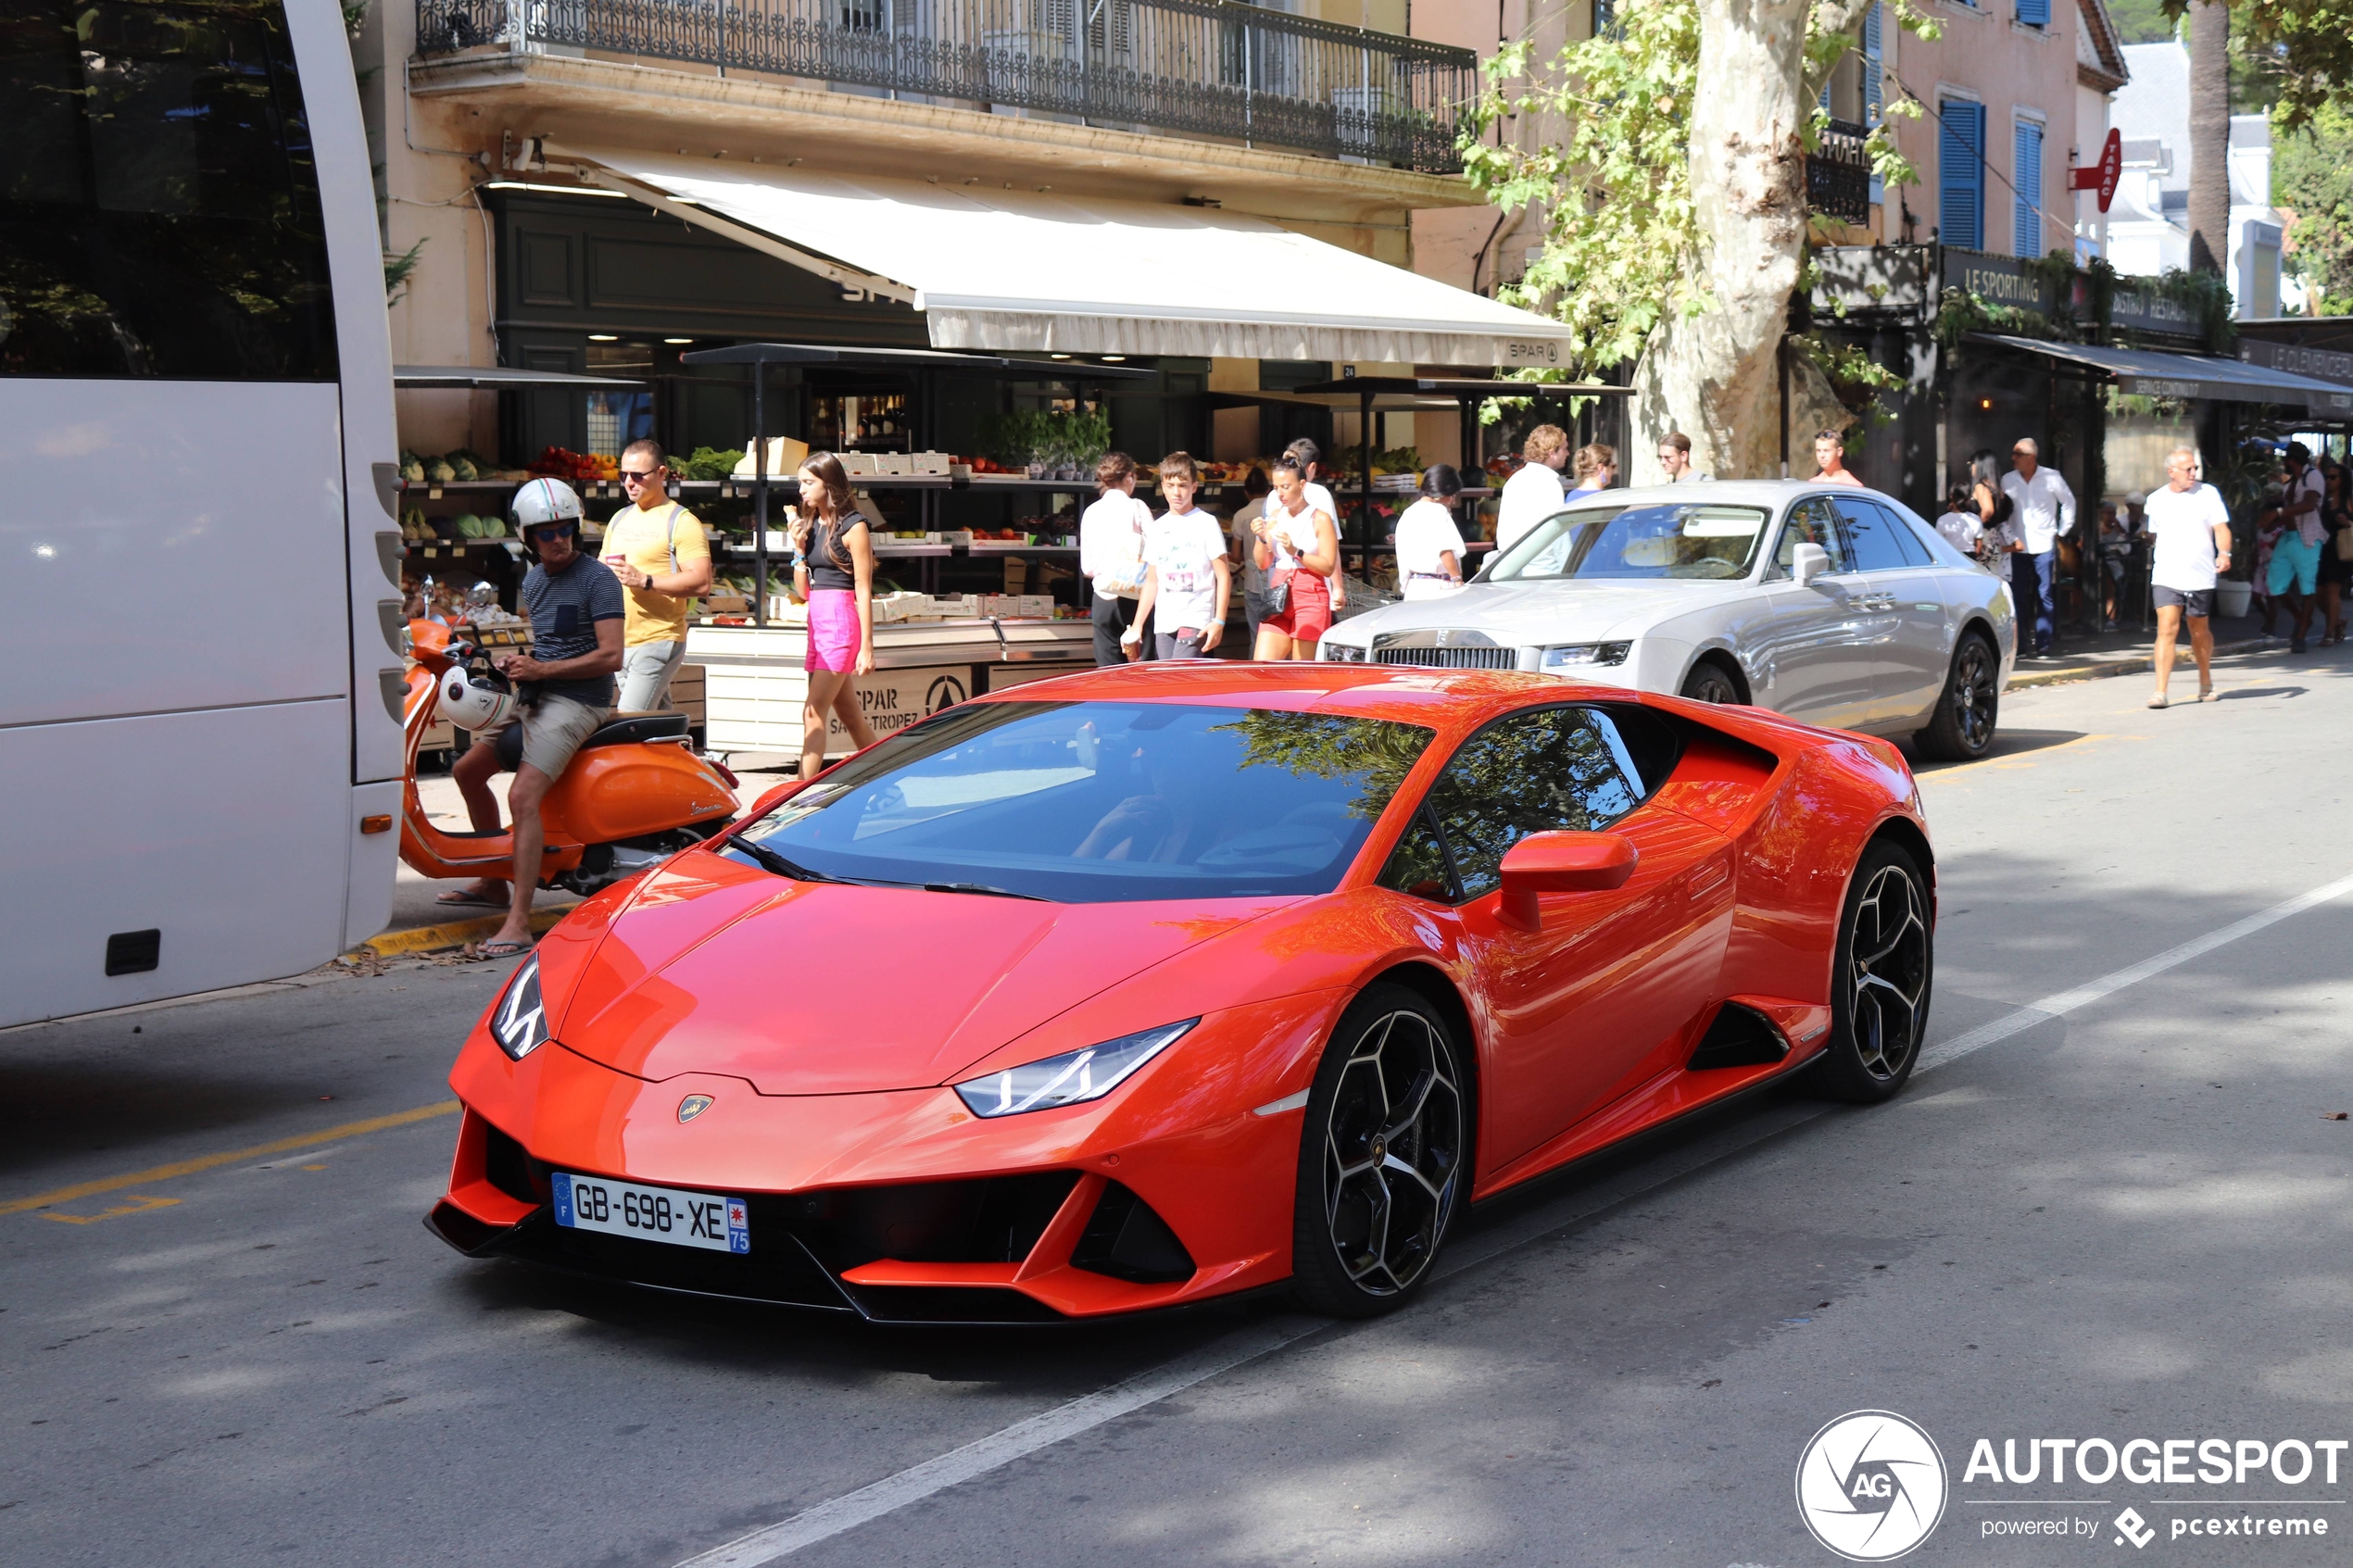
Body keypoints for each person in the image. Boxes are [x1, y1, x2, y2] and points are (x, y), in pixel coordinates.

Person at [439, 478, 624, 957]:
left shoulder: (598, 579)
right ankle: (492, 881)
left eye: (566, 529)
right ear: (527, 537)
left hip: (582, 700)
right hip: (539, 694)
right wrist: (518, 665)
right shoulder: (535, 580)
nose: (559, 539)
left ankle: (518, 922)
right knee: (467, 771)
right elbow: (548, 645)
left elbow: (611, 656)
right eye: (546, 532)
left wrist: (542, 668)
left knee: (522, 796)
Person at [598, 439, 713, 712]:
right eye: (623, 475)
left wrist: (645, 580)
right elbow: (600, 572)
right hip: (620, 643)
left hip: (658, 639)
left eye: (638, 475)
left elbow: (702, 581)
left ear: (661, 473)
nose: (629, 482)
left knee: (628, 722)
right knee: (658, 729)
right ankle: (682, 753)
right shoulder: (619, 519)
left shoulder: (682, 522)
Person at [789, 452, 879, 781]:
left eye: (808, 482)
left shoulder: (854, 526)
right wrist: (798, 549)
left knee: (813, 713)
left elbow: (864, 588)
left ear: (829, 484)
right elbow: (803, 591)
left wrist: (867, 647)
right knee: (850, 716)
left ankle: (798, 795)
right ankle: (884, 776)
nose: (801, 490)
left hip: (841, 623)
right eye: (800, 482)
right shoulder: (811, 527)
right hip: (818, 621)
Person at [2144, 445, 2233, 709]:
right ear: (2172, 472)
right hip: (2167, 573)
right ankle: (2160, 691)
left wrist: (2224, 553)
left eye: (2195, 468)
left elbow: (2221, 529)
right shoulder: (2156, 499)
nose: (2193, 472)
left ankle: (2205, 682)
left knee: (2199, 630)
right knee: (2166, 628)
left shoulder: (2209, 494)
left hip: (2200, 574)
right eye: (2188, 469)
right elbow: (2154, 534)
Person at [1123, 452, 1230, 661]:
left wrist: (1219, 620)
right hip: (1165, 619)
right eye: (1170, 486)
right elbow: (1152, 581)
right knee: (1168, 680)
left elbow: (1223, 575)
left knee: (1182, 673)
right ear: (1162, 486)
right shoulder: (1158, 527)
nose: (1176, 492)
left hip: (1196, 616)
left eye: (1182, 485)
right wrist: (1137, 625)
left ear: (1194, 487)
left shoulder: (1206, 523)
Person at [1251, 452, 1341, 660]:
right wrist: (1262, 538)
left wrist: (1296, 552)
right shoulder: (1274, 516)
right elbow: (1262, 563)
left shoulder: (1320, 518)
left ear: (1302, 485)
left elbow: (1328, 566)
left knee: (1303, 673)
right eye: (1275, 487)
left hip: (1310, 594)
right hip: (1279, 594)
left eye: (1285, 486)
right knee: (1262, 667)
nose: (1280, 493)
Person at [2000, 437, 2075, 657]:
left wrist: (2061, 532)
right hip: (2018, 546)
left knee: (2045, 595)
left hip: (2044, 545)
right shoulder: (2008, 479)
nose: (2013, 458)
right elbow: (2003, 512)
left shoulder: (2051, 477)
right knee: (2018, 596)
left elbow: (2069, 502)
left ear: (2031, 457)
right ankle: (2021, 644)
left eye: (2017, 454)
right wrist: (2010, 537)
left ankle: (2044, 643)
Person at [1080, 450, 1150, 666]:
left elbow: (1087, 568)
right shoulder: (1137, 507)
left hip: (1103, 597)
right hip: (1136, 596)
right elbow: (1157, 552)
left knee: (1107, 671)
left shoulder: (1091, 512)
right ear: (1130, 477)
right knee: (1142, 668)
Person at [2271, 441, 2325, 653]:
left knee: (2307, 587)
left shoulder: (2312, 476)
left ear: (2291, 460)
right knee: (2275, 585)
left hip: (2307, 538)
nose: (2282, 463)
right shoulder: (2290, 482)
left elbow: (2309, 504)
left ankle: (2301, 634)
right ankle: (2300, 617)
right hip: (2288, 537)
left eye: (2284, 459)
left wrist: (2279, 513)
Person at [1285, 438, 1348, 618]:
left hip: (1281, 584)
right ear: (1311, 467)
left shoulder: (1275, 494)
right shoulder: (1318, 493)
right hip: (1313, 584)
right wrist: (1337, 588)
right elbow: (1330, 546)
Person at [1394, 465, 1469, 599]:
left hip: (1414, 587)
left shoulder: (1408, 513)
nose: (1453, 500)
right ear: (1443, 491)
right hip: (1439, 586)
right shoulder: (1438, 511)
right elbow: (1445, 550)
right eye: (1453, 494)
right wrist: (1457, 580)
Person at [1496, 424, 1569, 551]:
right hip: (1543, 563)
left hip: (1512, 559)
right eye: (1564, 449)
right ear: (1552, 452)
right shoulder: (1549, 483)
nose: (1568, 453)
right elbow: (1556, 530)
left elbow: (1504, 532)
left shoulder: (1515, 480)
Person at [1226, 466, 1275, 642]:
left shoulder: (1241, 515)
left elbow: (1236, 555)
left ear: (1246, 492)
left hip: (1253, 584)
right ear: (1269, 490)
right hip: (1276, 584)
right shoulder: (1277, 513)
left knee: (1257, 636)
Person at [2320, 458, 2350, 646]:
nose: (2328, 481)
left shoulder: (2349, 500)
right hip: (2321, 548)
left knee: (2332, 590)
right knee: (2317, 593)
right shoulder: (2321, 499)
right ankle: (2337, 622)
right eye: (2326, 477)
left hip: (2341, 550)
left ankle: (2329, 633)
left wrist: (2348, 523)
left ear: (2342, 480)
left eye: (2333, 477)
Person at [2097, 501, 2133, 630]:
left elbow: (2126, 548)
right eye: (2108, 513)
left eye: (2113, 514)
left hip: (2112, 563)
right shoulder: (2095, 529)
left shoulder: (2118, 531)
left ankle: (2111, 617)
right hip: (2095, 563)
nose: (2110, 516)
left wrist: (2119, 533)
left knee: (2111, 582)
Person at [1936, 485, 1986, 558]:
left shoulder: (1942, 520)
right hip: (1970, 556)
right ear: (1968, 498)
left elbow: (1938, 544)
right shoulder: (1975, 518)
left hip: (1949, 555)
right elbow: (1979, 546)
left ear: (1951, 497)